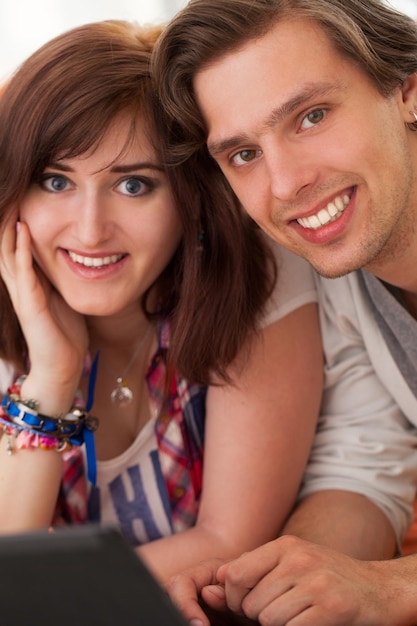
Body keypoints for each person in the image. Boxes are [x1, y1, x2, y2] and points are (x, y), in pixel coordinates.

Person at [0, 19, 323, 587]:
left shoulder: (256, 283)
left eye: (133, 185)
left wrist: (46, 599)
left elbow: (229, 540)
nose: (91, 229)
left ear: (187, 197)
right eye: (55, 181)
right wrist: (51, 375)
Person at [152, 0, 417, 623]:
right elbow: (364, 466)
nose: (284, 184)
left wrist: (393, 589)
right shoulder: (337, 270)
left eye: (311, 116)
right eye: (244, 153)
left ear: (407, 91)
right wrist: (261, 588)